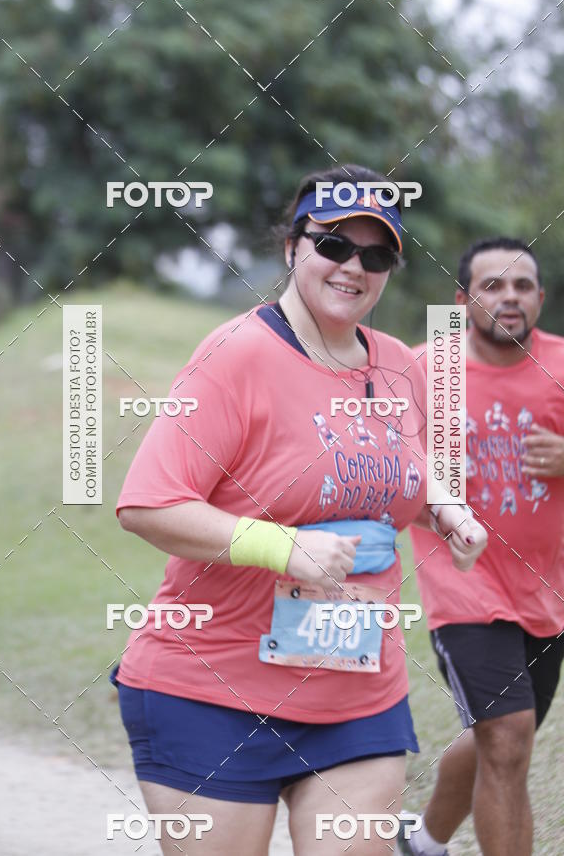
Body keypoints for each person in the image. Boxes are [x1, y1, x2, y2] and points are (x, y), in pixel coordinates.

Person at [112, 164, 487, 856]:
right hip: (211, 691)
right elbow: (147, 503)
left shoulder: (399, 363)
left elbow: (409, 466)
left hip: (356, 694)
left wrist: (449, 510)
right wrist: (281, 547)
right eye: (334, 245)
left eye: (375, 255)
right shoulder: (235, 355)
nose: (353, 267)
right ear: (293, 247)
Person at [400, 238, 564, 856]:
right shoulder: (425, 370)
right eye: (493, 286)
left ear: (541, 298)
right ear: (464, 299)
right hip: (463, 582)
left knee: (501, 738)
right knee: (508, 735)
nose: (510, 297)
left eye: (523, 286)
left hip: (547, 589)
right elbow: (380, 460)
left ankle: (422, 842)